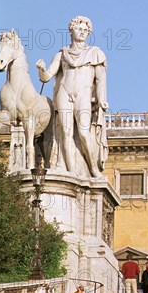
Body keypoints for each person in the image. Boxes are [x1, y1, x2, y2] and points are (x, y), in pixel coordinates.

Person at [36, 16, 108, 179]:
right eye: (79, 28)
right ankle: (72, 172)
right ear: (71, 30)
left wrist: (102, 99)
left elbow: (100, 79)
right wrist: (41, 70)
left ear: (89, 33)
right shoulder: (62, 54)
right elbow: (47, 76)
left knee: (83, 131)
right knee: (65, 133)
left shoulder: (95, 53)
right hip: (64, 92)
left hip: (83, 94)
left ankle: (93, 169)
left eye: (85, 30)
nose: (82, 32)